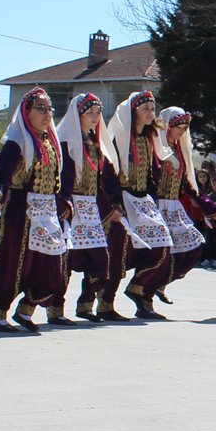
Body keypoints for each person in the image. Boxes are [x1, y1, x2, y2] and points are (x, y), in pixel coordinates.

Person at [0, 87, 67, 332]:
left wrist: (62, 204)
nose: (46, 114)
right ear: (26, 111)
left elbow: (56, 180)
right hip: (20, 210)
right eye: (40, 108)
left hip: (46, 211)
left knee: (52, 265)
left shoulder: (50, 142)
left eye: (49, 109)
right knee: (15, 263)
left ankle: (27, 308)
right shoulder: (17, 142)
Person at [104, 90, 177, 319]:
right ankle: (105, 303)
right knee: (118, 253)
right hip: (123, 200)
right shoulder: (119, 138)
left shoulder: (148, 138)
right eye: (146, 108)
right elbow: (109, 172)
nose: (150, 113)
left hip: (142, 200)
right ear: (133, 110)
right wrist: (115, 202)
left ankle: (140, 289)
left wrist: (152, 199)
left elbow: (151, 173)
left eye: (152, 109)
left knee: (162, 245)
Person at [59, 92, 124, 322]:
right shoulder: (65, 140)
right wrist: (63, 206)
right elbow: (64, 177)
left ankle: (86, 303)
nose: (96, 117)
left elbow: (100, 181)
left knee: (100, 261)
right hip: (71, 207)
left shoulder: (96, 144)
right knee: (66, 262)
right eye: (90, 113)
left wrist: (110, 206)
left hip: (91, 209)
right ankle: (56, 309)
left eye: (98, 113)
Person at [153, 107, 213, 297]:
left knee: (194, 247)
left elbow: (188, 184)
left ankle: (160, 283)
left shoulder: (179, 151)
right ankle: (143, 289)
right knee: (159, 252)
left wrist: (210, 206)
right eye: (178, 126)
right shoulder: (154, 147)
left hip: (174, 207)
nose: (181, 131)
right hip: (156, 205)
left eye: (185, 128)